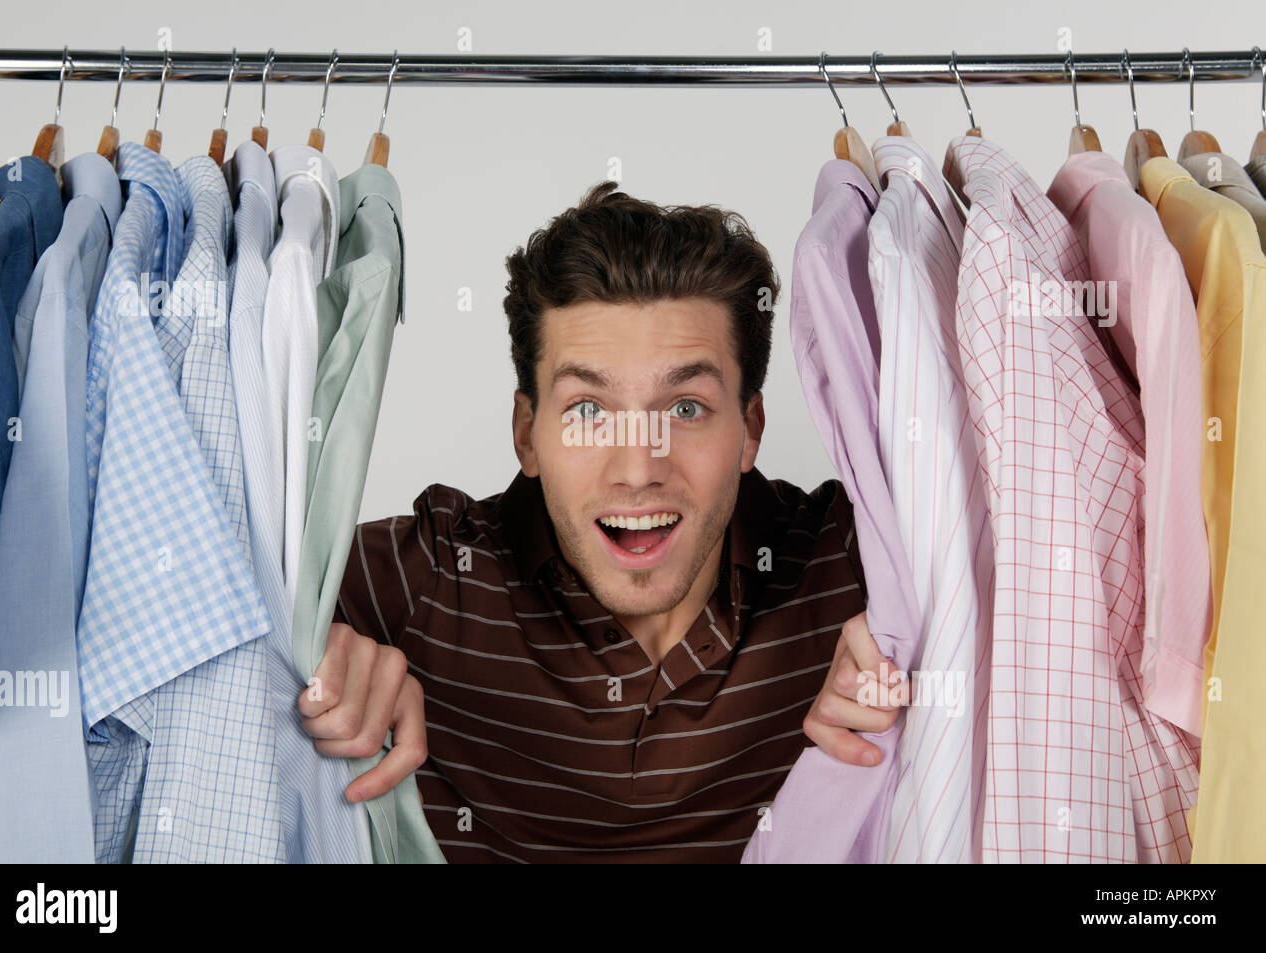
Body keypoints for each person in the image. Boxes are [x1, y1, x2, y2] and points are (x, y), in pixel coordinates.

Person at [298, 181, 904, 862]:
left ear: (750, 429)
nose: (639, 468)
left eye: (685, 408)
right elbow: (183, 621)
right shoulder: (427, 578)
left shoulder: (859, 561)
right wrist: (309, 658)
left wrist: (918, 687)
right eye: (589, 410)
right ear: (528, 433)